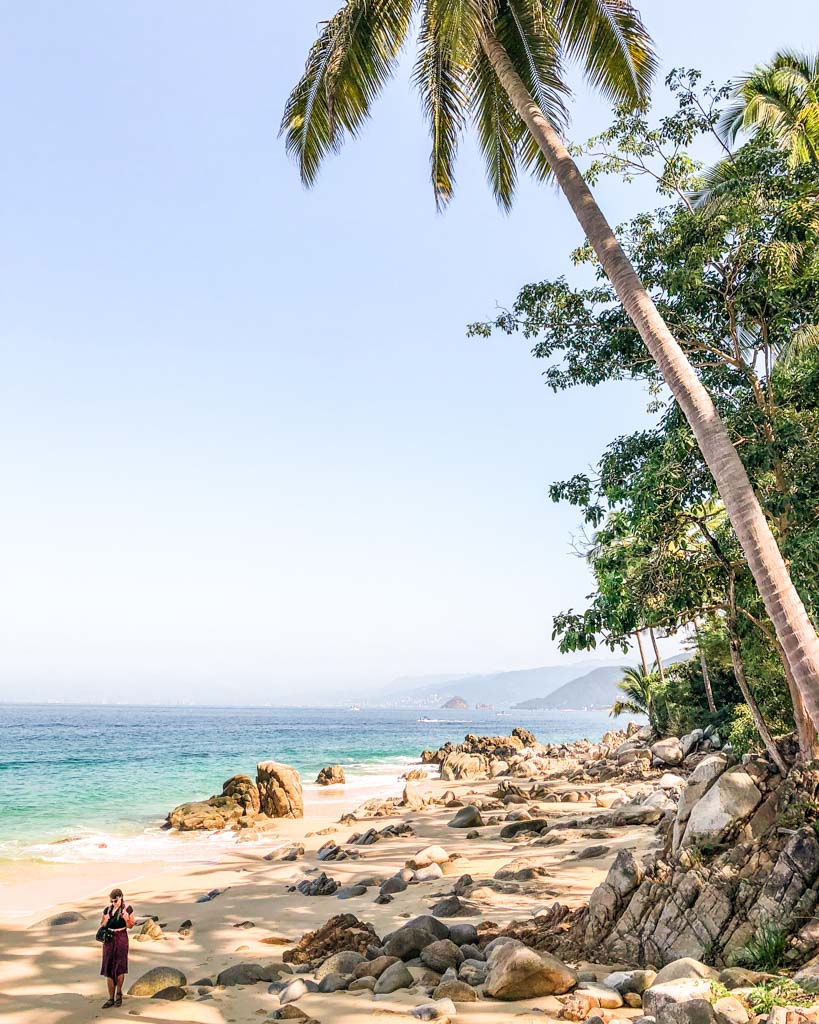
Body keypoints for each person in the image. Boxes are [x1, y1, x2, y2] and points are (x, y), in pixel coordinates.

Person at [99, 888, 135, 1008]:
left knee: (120, 967)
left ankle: (118, 993)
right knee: (108, 968)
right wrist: (106, 920)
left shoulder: (127, 909)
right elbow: (102, 924)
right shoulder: (107, 910)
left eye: (115, 900)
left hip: (121, 937)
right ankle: (110, 998)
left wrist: (126, 918)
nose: (113, 903)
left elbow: (131, 926)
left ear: (121, 897)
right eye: (112, 901)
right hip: (109, 939)